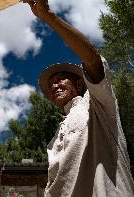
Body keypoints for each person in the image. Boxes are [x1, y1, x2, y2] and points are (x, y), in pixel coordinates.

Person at [23, 0, 134, 196]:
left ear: (81, 83)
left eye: (60, 79)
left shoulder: (97, 104)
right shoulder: (56, 136)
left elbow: (92, 58)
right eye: (51, 85)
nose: (54, 86)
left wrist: (48, 16)